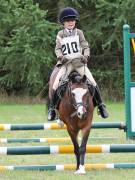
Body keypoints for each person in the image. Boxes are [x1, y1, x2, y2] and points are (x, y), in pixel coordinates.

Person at [48, 7, 109, 120]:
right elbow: (57, 49)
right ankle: (52, 109)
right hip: (67, 64)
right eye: (68, 21)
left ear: (75, 21)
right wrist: (61, 57)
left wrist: (86, 56)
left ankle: (101, 106)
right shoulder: (60, 34)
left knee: (93, 82)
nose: (71, 23)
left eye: (72, 20)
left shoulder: (79, 32)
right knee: (56, 85)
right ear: (63, 23)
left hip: (79, 63)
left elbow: (85, 46)